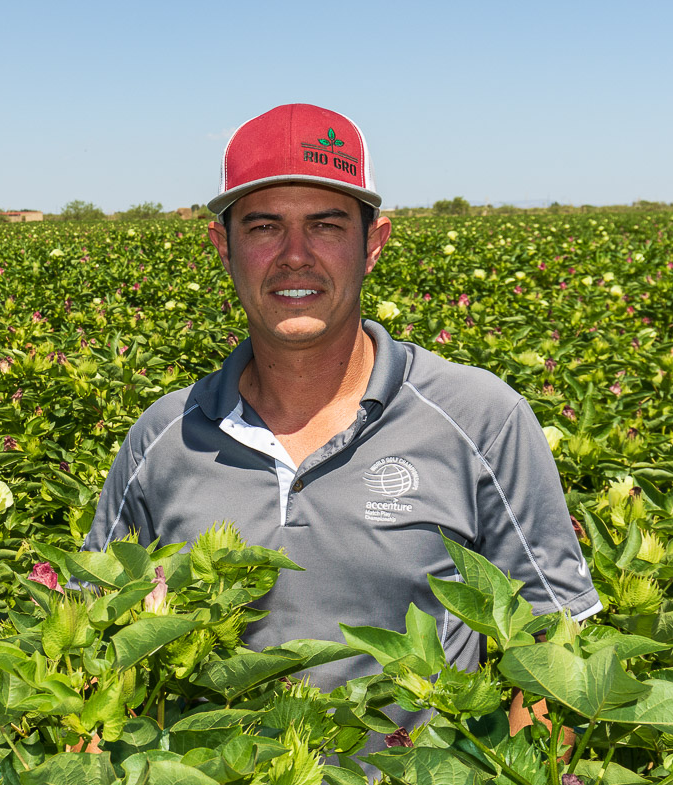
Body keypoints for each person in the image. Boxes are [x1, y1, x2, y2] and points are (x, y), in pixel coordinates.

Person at [83, 103, 600, 719]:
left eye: (326, 225)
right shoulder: (163, 438)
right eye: (263, 227)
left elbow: (549, 650)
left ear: (372, 243)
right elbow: (95, 647)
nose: (294, 255)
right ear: (223, 247)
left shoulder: (482, 420)